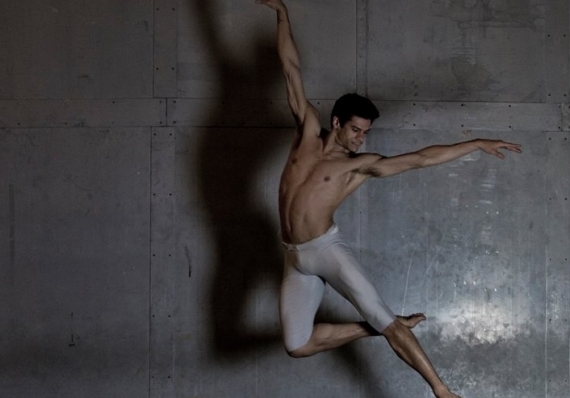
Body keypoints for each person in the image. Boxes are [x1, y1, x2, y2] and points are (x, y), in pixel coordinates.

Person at [257, 1, 522, 397]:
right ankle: (373, 326)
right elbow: (290, 68)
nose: (362, 138)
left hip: (326, 250)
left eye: (366, 133)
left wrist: (477, 143)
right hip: (293, 256)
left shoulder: (360, 166)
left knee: (388, 323)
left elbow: (421, 159)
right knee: (298, 345)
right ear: (336, 123)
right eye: (356, 130)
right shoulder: (305, 131)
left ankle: (441, 390)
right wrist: (281, 13)